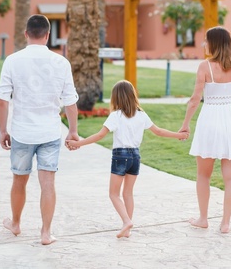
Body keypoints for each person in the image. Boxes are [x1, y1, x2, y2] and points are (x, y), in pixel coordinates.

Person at [0, 14, 80, 245]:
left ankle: (15, 223)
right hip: (50, 133)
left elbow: (2, 100)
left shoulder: (12, 60)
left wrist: (3, 130)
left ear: (25, 34)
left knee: (19, 181)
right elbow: (70, 102)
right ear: (48, 35)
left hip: (22, 132)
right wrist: (73, 131)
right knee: (48, 183)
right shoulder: (61, 62)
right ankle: (45, 233)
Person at [66, 80, 188, 238]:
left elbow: (100, 135)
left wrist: (79, 143)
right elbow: (158, 131)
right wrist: (179, 135)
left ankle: (126, 222)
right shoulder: (141, 115)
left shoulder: (116, 116)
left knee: (113, 194)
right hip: (135, 156)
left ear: (116, 98)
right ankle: (127, 228)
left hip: (120, 155)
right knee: (128, 193)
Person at [179, 26, 231, 234]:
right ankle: (226, 223)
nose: (204, 44)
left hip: (210, 118)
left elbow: (194, 100)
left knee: (203, 174)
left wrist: (185, 124)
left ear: (214, 43)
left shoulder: (205, 67)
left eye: (206, 41)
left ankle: (203, 218)